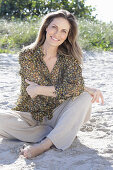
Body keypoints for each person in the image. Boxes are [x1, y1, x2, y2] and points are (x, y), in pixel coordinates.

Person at [0, 10, 104, 159]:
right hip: (29, 115)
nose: (57, 34)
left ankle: (44, 144)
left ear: (68, 35)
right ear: (46, 27)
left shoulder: (69, 58)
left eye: (64, 31)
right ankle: (60, 132)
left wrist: (39, 89)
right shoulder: (27, 54)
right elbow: (36, 89)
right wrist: (75, 87)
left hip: (59, 112)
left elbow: (73, 87)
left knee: (84, 98)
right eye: (54, 27)